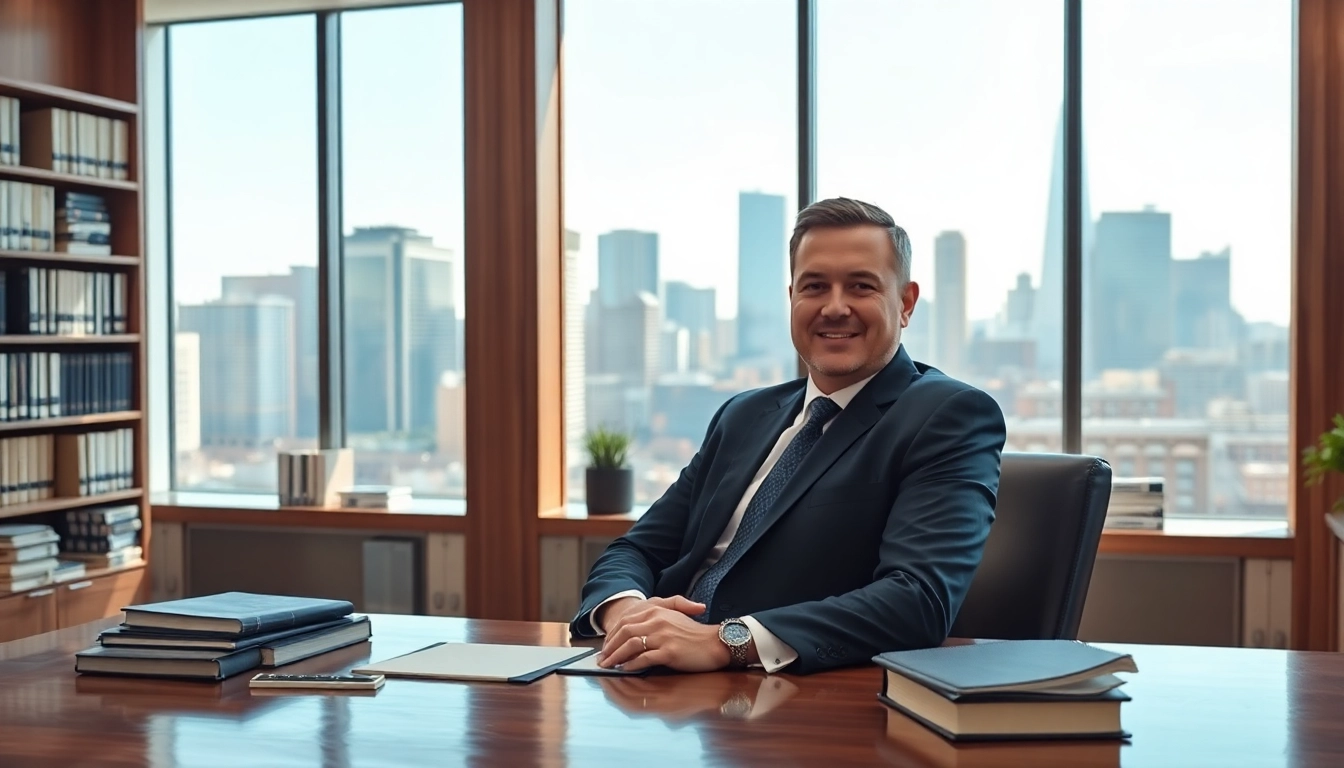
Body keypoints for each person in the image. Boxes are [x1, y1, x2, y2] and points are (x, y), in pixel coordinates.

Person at [569, 197, 1006, 675]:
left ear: (905, 303)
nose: (835, 308)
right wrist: (627, 613)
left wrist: (725, 641)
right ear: (792, 297)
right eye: (815, 286)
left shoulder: (948, 415)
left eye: (860, 286)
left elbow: (918, 600)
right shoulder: (744, 414)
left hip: (785, 698)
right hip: (652, 678)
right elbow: (637, 549)